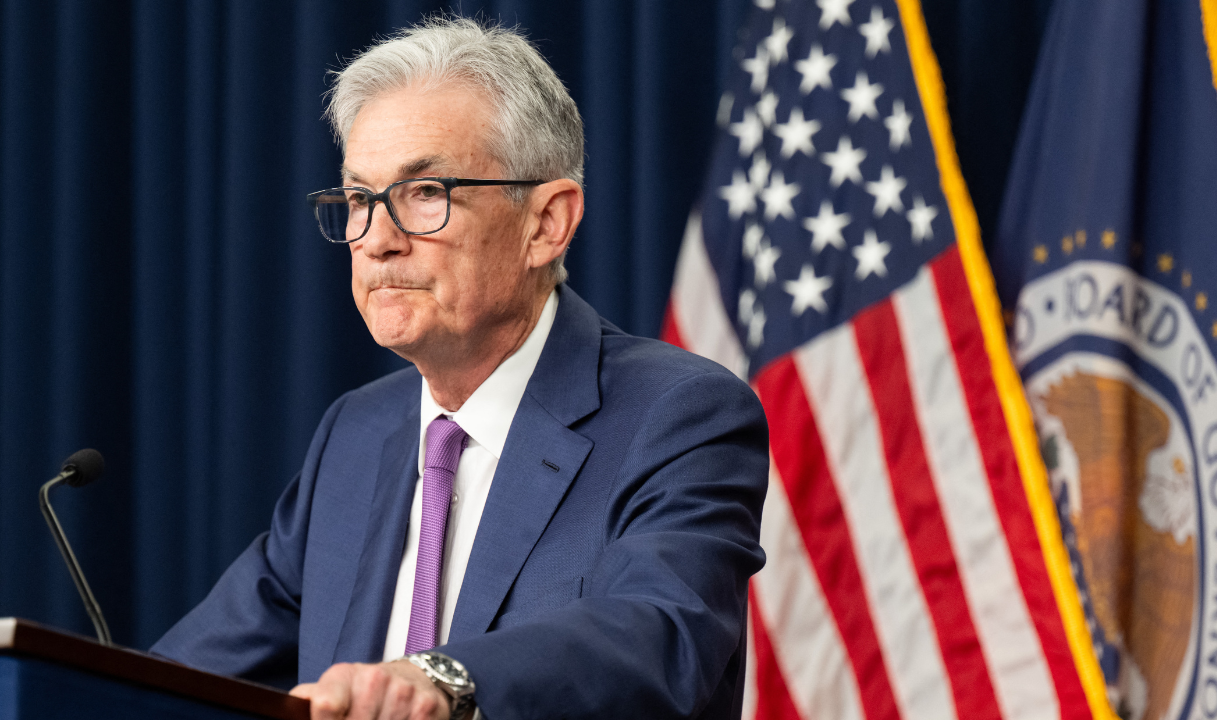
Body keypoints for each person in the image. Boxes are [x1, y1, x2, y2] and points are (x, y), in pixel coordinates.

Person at [152, 16, 769, 720]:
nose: (377, 241)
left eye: (425, 193)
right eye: (360, 200)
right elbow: (178, 680)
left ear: (546, 223)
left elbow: (662, 636)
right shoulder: (357, 433)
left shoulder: (680, 415)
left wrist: (441, 681)